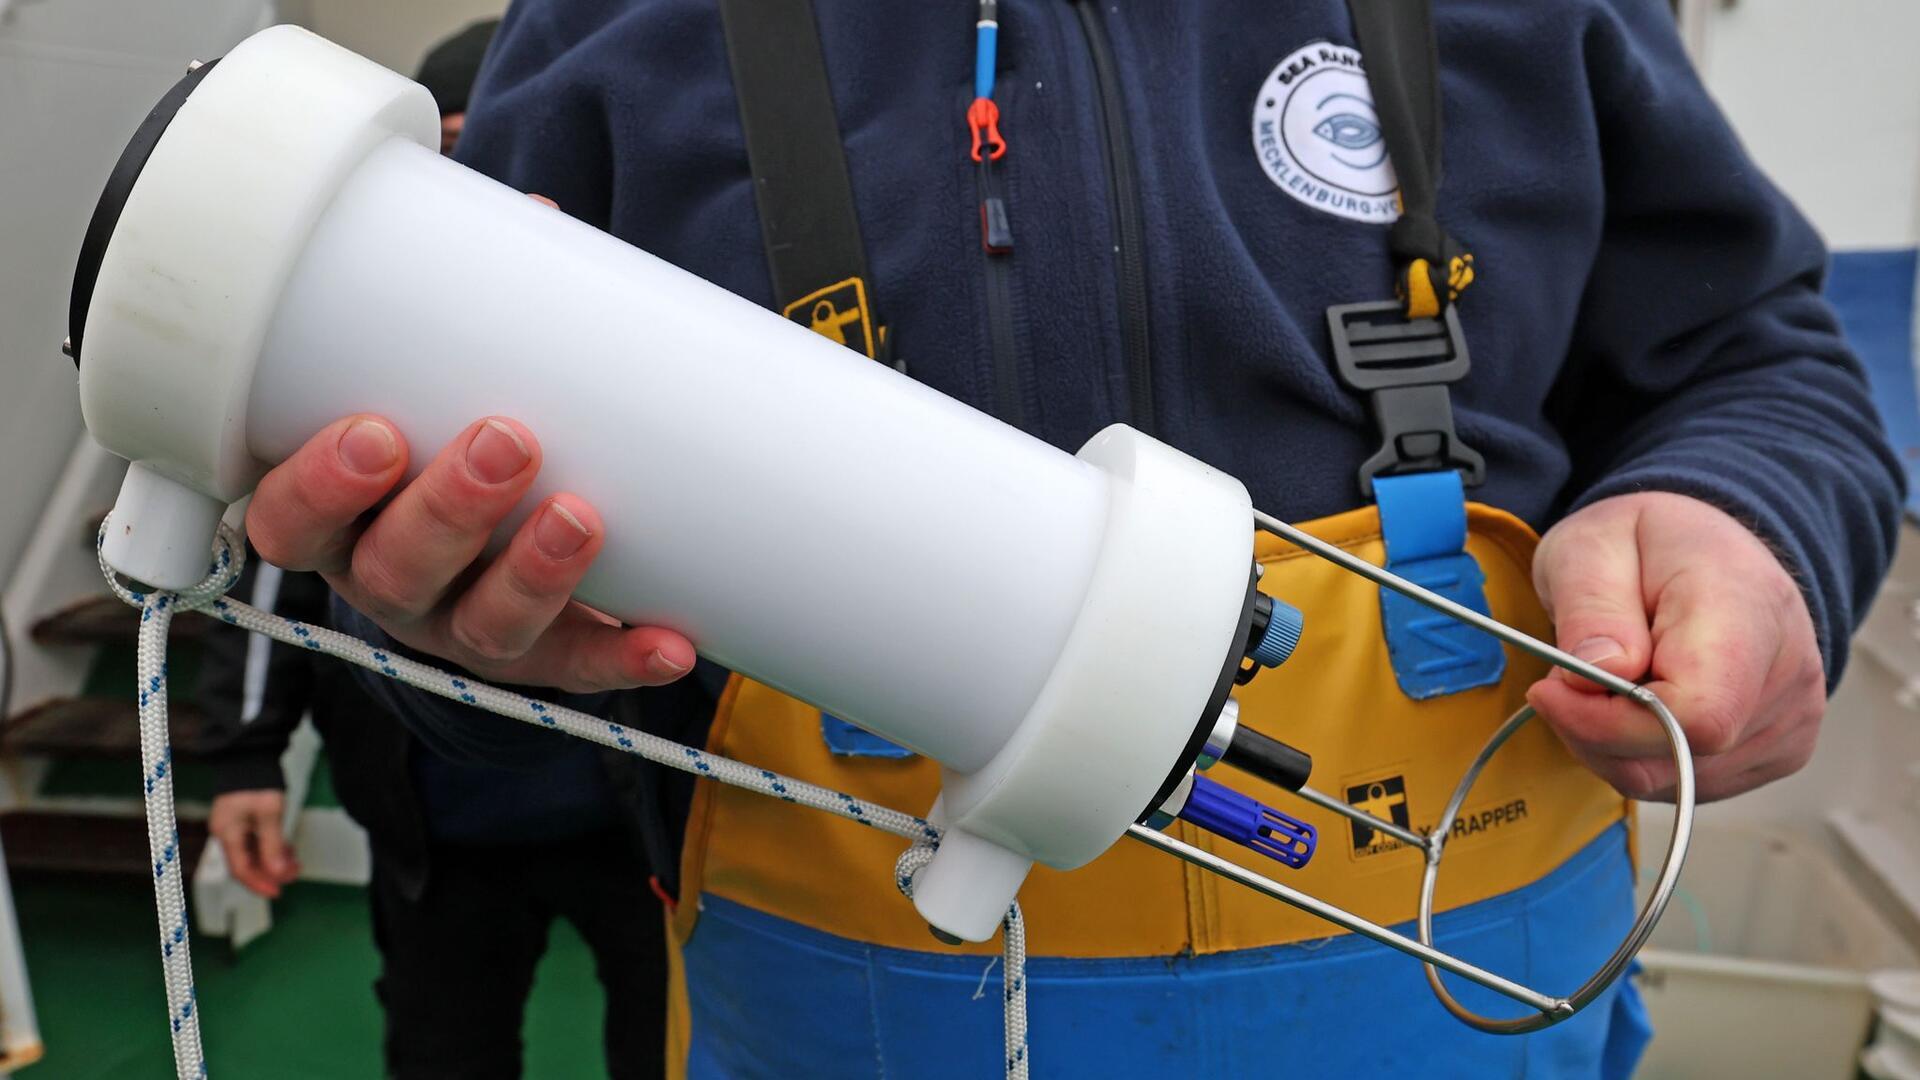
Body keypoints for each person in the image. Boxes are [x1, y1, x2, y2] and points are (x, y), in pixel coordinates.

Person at [236, 1, 1905, 1077]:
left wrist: (1749, 522)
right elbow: (485, 616)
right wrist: (440, 628)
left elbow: (1757, 354)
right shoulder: (615, 36)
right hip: (845, 1018)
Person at [197, 20, 670, 1080]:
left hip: (629, 802)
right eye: (450, 156)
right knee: (442, 1055)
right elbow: (278, 551)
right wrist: (247, 756)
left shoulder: (637, 340)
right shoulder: (354, 358)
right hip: (432, 828)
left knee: (664, 1049)